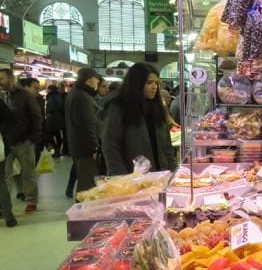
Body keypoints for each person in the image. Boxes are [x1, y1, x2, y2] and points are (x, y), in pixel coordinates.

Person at [101, 63, 177, 175]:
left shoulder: (157, 108)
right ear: (136, 83)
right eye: (149, 83)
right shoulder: (118, 108)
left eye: (156, 83)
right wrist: (121, 177)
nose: (154, 87)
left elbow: (167, 146)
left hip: (160, 175)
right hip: (132, 177)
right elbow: (111, 147)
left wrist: (174, 172)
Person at [0, 68, 41, 214]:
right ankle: (4, 206)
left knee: (28, 172)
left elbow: (36, 116)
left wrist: (34, 137)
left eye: (1, 79)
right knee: (5, 175)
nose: (0, 82)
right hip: (5, 141)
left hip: (24, 140)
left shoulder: (24, 95)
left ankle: (31, 200)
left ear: (11, 78)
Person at [65, 68, 102, 196]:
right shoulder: (82, 97)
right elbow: (87, 125)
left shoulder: (76, 93)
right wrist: (94, 148)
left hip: (79, 146)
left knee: (85, 182)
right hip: (85, 149)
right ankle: (83, 208)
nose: (98, 81)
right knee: (87, 187)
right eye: (96, 78)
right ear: (88, 80)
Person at [44, 84, 66, 157]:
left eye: (48, 89)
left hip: (52, 118)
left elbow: (52, 107)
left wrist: (48, 112)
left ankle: (55, 149)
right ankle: (57, 151)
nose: (47, 90)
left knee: (48, 135)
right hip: (58, 118)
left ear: (51, 90)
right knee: (57, 134)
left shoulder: (51, 96)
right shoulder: (58, 96)